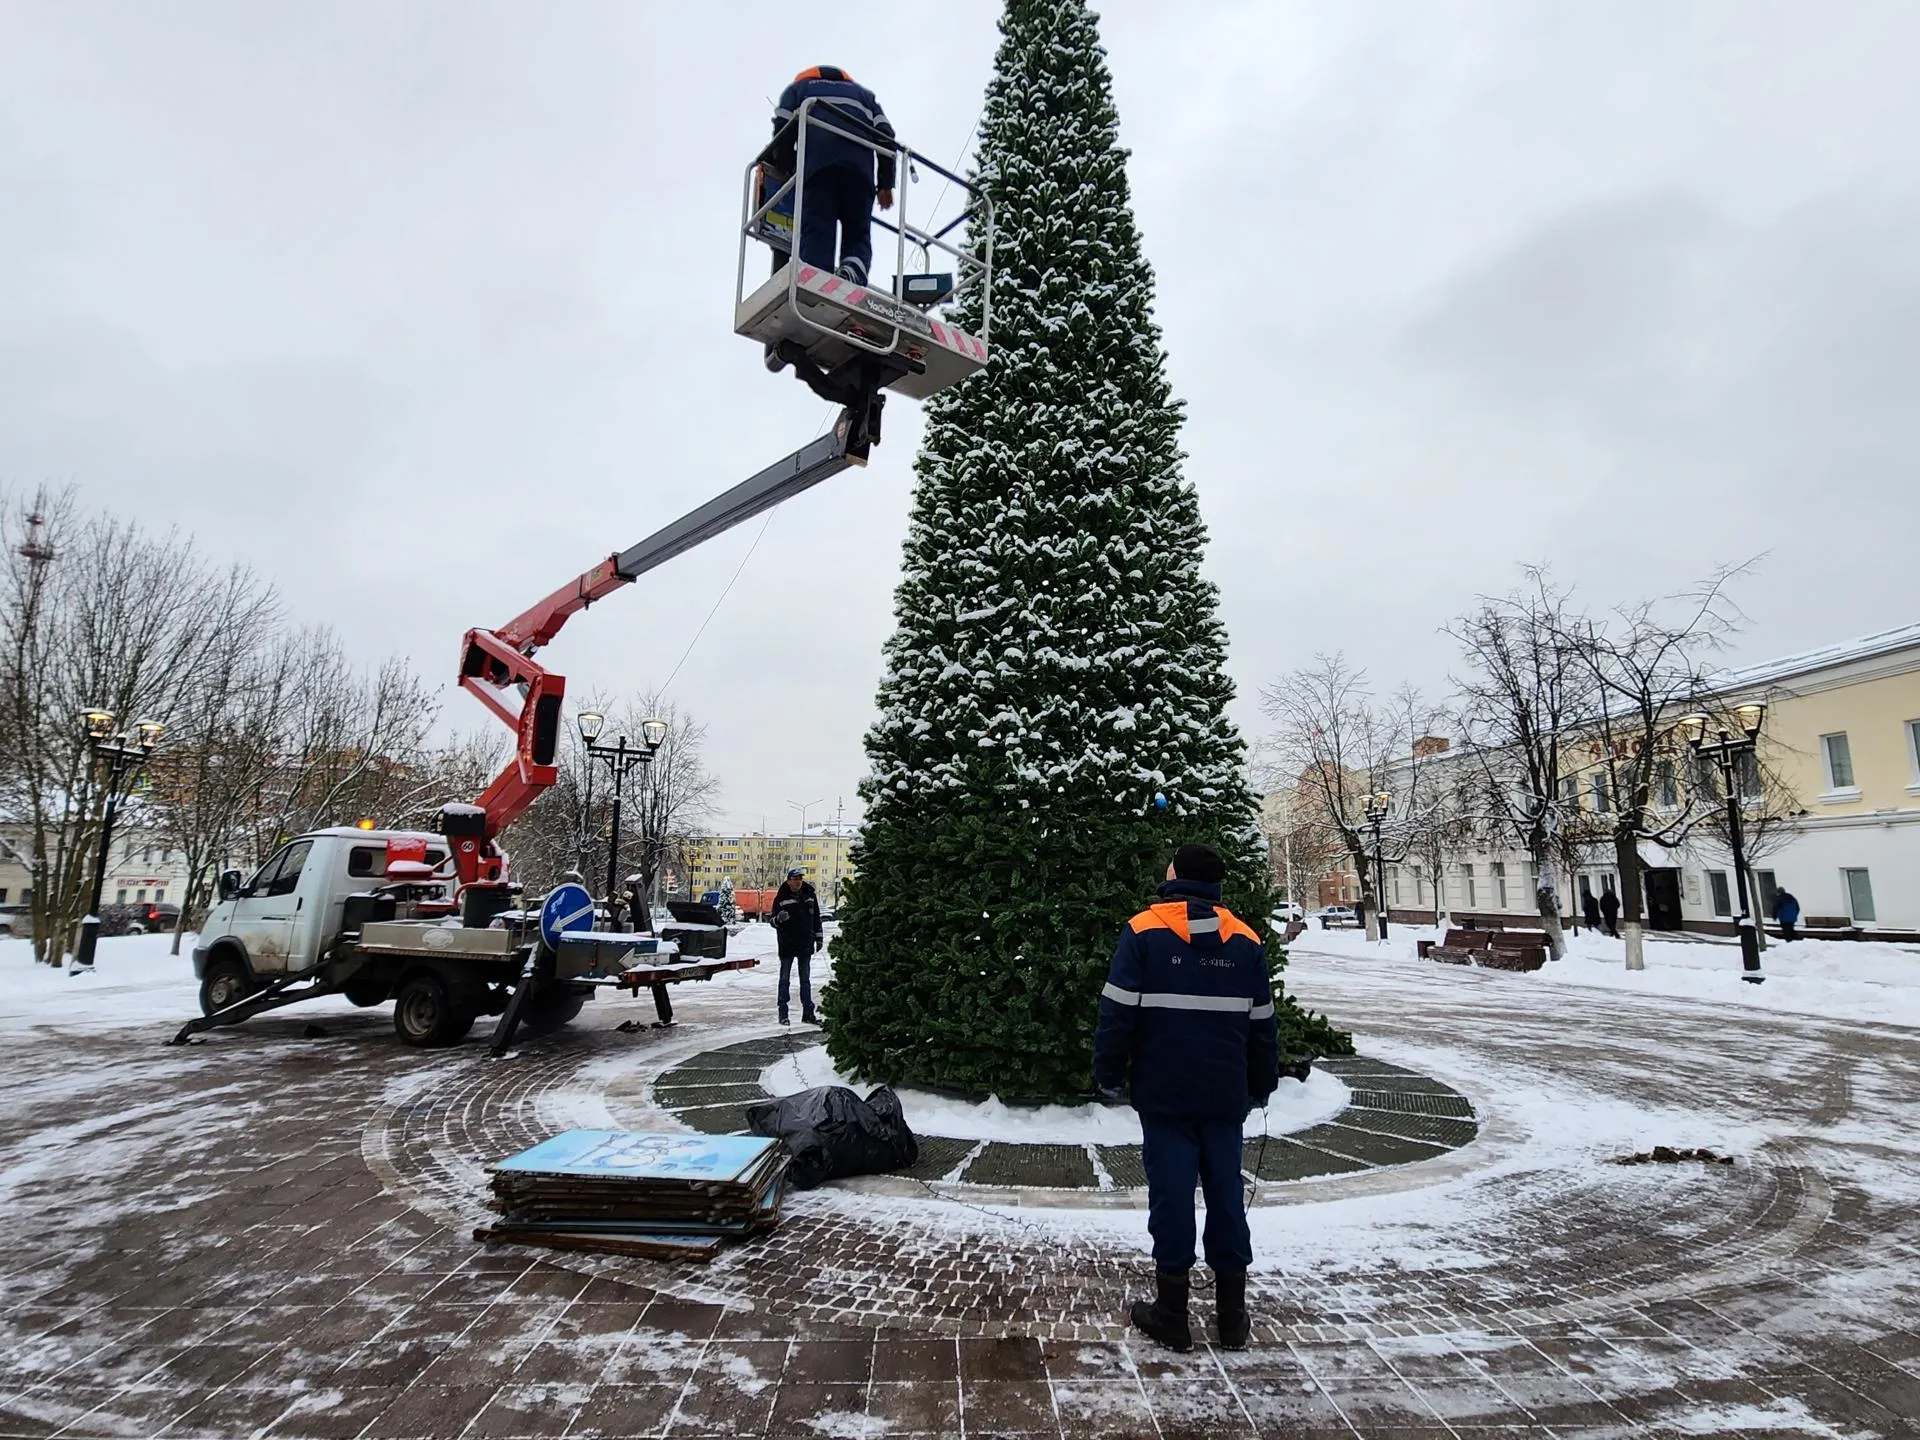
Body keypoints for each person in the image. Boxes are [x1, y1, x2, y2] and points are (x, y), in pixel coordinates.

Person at [1094, 843, 1279, 1353]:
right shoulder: (1245, 940)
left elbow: (1116, 1013)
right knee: (1227, 1196)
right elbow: (1263, 1024)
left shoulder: (1143, 932)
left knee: (1172, 1196)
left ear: (1176, 874)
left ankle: (1172, 1315)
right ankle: (1232, 1317)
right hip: (1224, 1095)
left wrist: (1108, 1073)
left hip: (1164, 1093)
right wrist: (1261, 1082)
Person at [768, 65, 897, 286]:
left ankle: (816, 280)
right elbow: (886, 136)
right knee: (857, 232)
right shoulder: (865, 98)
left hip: (819, 171)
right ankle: (852, 272)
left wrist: (786, 167)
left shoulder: (799, 89)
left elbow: (783, 133)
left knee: (818, 227)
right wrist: (886, 183)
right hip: (859, 174)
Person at [769, 867, 823, 1025]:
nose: (798, 882)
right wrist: (779, 919)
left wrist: (819, 937)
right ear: (788, 881)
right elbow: (772, 921)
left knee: (805, 980)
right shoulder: (781, 898)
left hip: (805, 944)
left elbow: (816, 918)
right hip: (787, 944)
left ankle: (808, 1013)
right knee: (784, 979)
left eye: (800, 878)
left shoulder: (810, 895)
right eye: (795, 879)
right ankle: (783, 1014)